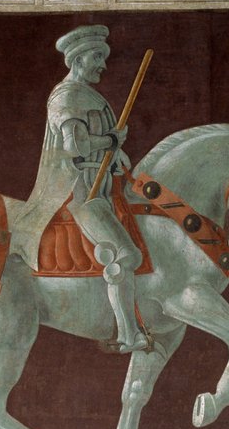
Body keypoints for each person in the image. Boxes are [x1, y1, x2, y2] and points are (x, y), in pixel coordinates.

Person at [10, 25, 148, 352]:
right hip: (79, 192)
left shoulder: (89, 94)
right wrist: (110, 140)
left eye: (104, 57)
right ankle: (128, 335)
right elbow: (76, 146)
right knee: (126, 255)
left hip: (105, 184)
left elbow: (101, 149)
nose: (103, 65)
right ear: (77, 59)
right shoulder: (68, 97)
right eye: (97, 57)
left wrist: (116, 154)